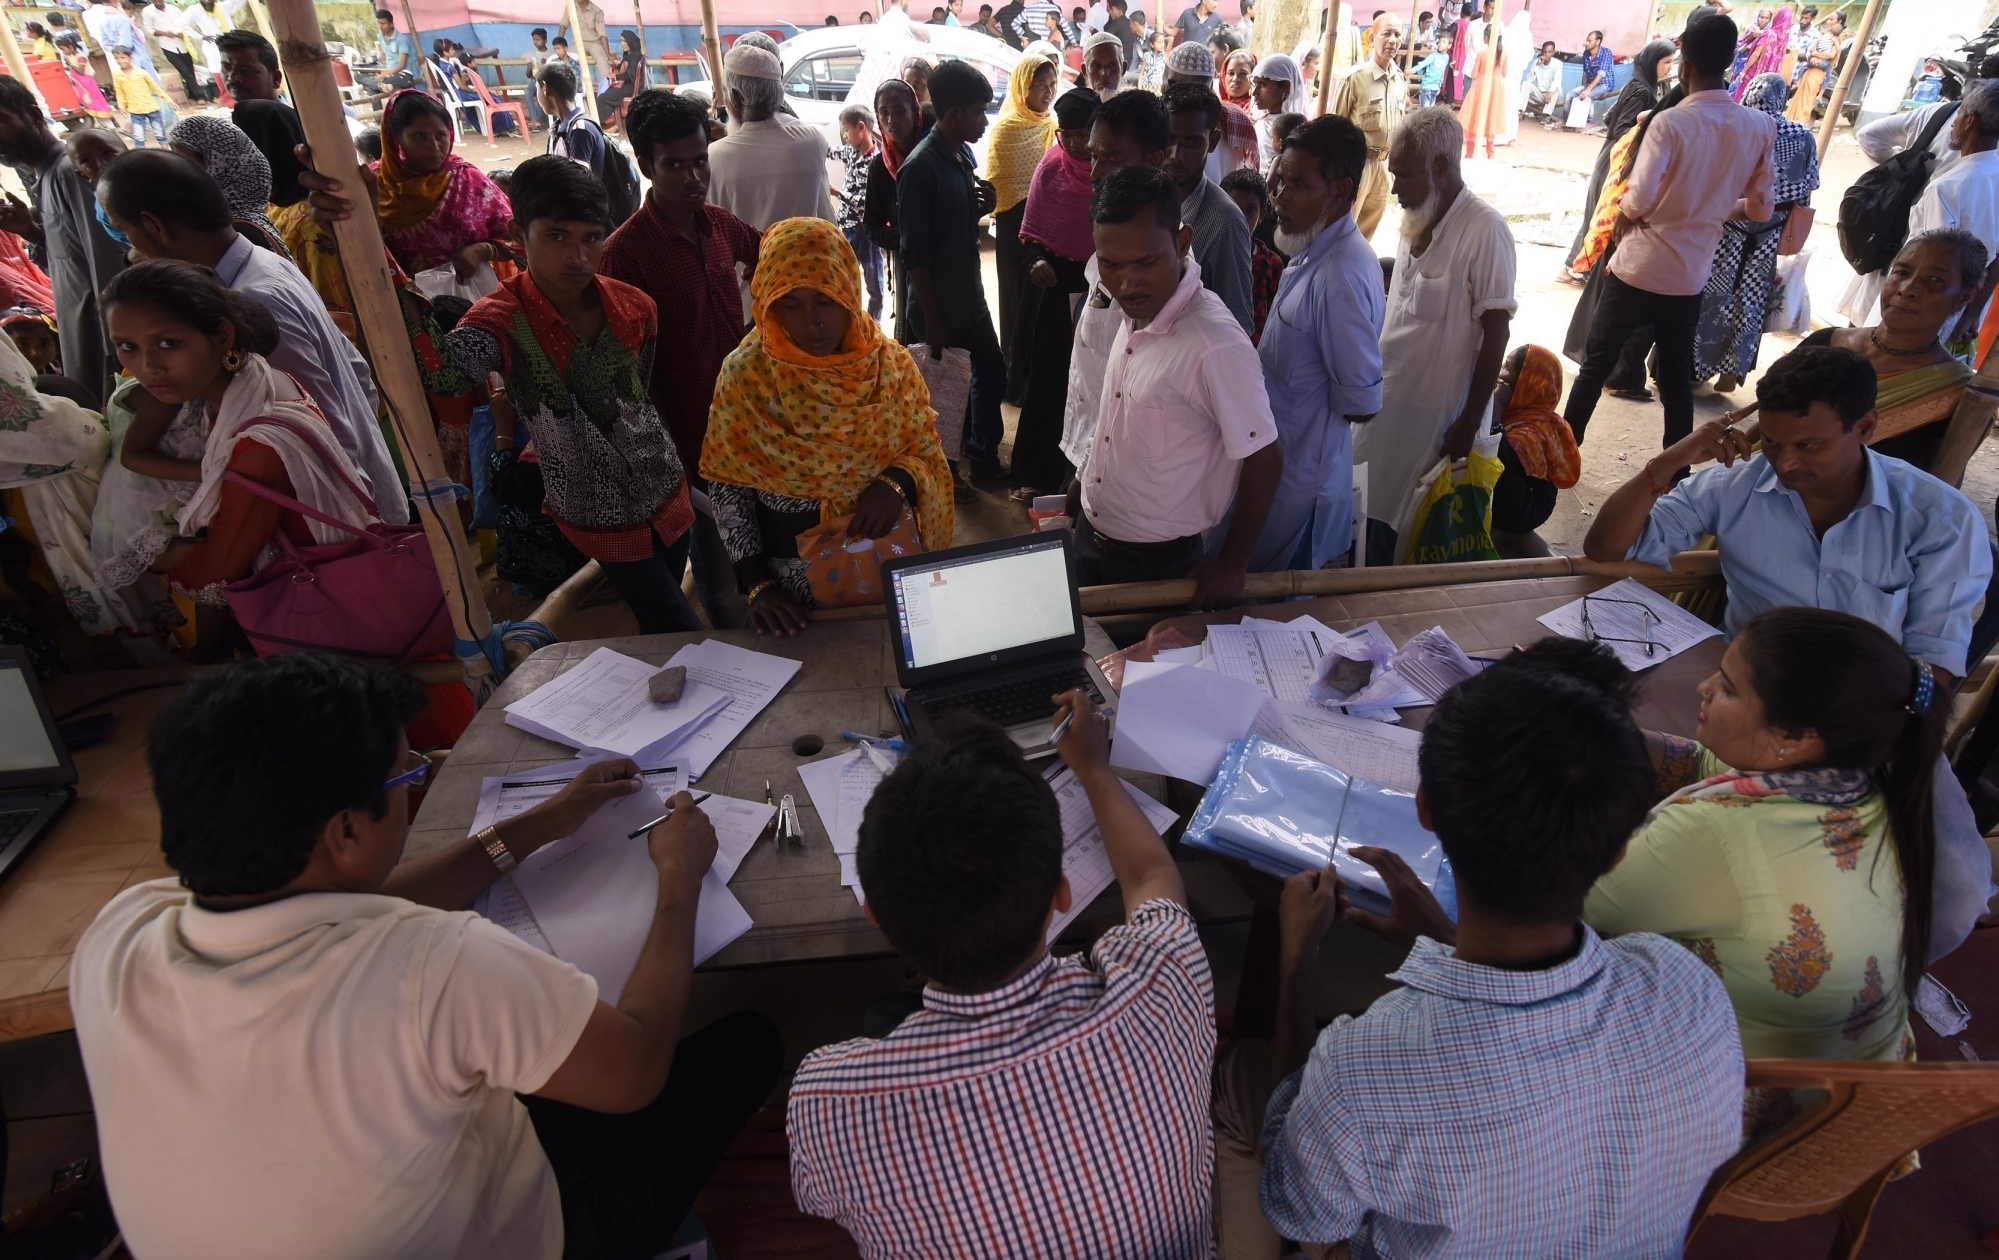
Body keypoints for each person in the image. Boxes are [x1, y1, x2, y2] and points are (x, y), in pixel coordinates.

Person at [73, 651, 782, 1258]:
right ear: (345, 831)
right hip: (514, 1238)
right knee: (748, 1043)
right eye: (406, 777)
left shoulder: (121, 930)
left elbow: (361, 898)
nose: (416, 783)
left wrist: (535, 827)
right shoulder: (430, 967)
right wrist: (678, 880)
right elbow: (632, 1073)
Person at [1211, 643, 1743, 1260]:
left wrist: (1296, 961)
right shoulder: (1686, 987)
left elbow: (1301, 1210)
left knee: (1238, 1073)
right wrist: (1440, 939)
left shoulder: (1364, 1070)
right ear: (1620, 848)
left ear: (1425, 810)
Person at [789, 699, 1215, 1255]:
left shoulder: (828, 1101)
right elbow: (1153, 874)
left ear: (878, 919)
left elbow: (821, 1201)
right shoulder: (1164, 980)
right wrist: (1093, 767)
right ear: (1061, 896)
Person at [1582, 607, 1939, 1073]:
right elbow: (1702, 764)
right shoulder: (1863, 783)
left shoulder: (1717, 832)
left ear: (1794, 737)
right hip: (1861, 1098)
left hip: (1757, 1111)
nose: (1703, 687)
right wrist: (1596, 731)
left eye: (1728, 688)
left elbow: (1561, 900)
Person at [1585, 344, 1991, 681]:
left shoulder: (1940, 520)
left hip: (1862, 715)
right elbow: (1607, 549)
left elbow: (1933, 664)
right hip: (1742, 692)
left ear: (1865, 428)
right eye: (1773, 442)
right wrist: (1669, 462)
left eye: (1809, 446)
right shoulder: (1737, 486)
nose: (1785, 464)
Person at [97, 149, 408, 527]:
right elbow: (356, 375)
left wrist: (357, 515)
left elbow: (320, 424)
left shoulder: (251, 302)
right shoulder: (259, 263)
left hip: (343, 514)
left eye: (123, 229)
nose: (130, 247)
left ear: (154, 227)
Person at [700, 217, 953, 638]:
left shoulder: (889, 366)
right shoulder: (747, 374)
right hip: (789, 592)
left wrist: (896, 484)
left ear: (849, 293)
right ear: (768, 304)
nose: (811, 323)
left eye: (824, 300)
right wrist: (758, 584)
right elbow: (729, 486)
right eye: (790, 305)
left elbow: (924, 450)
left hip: (883, 564)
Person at [1562, 15, 1774, 450]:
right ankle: (1674, 471)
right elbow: (1760, 208)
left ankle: (1560, 454)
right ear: (1731, 61)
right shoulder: (1758, 126)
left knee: (1595, 366)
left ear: (1685, 65)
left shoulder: (1670, 122)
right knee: (1676, 381)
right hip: (1689, 278)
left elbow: (1637, 200)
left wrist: (1628, 212)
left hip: (1638, 269)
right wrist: (1709, 209)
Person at [1075, 164, 1280, 604]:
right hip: (1091, 536)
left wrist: (1233, 563)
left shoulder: (1215, 344)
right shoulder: (1135, 310)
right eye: (1111, 264)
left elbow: (1265, 456)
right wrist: (1086, 481)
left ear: (1182, 242)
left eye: (1146, 263)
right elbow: (1117, 413)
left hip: (1158, 565)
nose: (1127, 283)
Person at [1355, 106, 1513, 562]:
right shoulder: (1415, 217)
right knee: (1369, 518)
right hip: (1388, 409)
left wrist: (1467, 423)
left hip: (1440, 421)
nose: (1395, 187)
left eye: (1404, 176)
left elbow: (1496, 335)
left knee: (1417, 537)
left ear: (1440, 168)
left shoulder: (1485, 229)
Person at [1241, 115, 1378, 573]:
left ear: (1338, 191)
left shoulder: (1340, 274)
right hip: (1277, 473)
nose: (1278, 197)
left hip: (1301, 488)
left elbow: (1360, 402)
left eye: (1296, 185)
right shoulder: (1309, 250)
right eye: (1279, 181)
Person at [1793, 231, 1989, 477]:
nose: (1907, 289)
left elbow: (1939, 484)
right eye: (1902, 272)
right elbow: (1769, 422)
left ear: (1964, 298)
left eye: (1935, 280)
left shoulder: (1952, 392)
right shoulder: (1825, 343)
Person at [901, 60, 1007, 481]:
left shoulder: (959, 154)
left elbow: (954, 225)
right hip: (939, 306)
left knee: (991, 371)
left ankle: (981, 460)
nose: (984, 120)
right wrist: (932, 319)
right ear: (953, 113)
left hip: (969, 297)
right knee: (943, 395)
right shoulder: (919, 168)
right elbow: (915, 255)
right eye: (979, 111)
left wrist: (982, 206)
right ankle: (944, 478)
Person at [0, 78, 126, 404]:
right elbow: (72, 258)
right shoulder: (45, 176)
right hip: (84, 331)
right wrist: (31, 232)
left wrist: (120, 345)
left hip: (104, 339)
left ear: (33, 115)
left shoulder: (71, 173)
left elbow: (109, 264)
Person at [1692, 72, 1818, 394]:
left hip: (1728, 227)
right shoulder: (1802, 136)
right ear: (1782, 98)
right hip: (1769, 233)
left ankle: (1697, 368)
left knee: (1712, 294)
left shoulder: (1737, 128)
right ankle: (1731, 373)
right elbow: (1806, 190)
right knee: (1751, 297)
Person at [1012, 87, 1100, 498]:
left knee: (1096, 381)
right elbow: (1030, 237)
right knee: (1051, 380)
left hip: (1104, 290)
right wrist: (1036, 263)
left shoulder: (1112, 170)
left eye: (1084, 133)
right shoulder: (1050, 168)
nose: (1077, 143)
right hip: (1057, 289)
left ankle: (1084, 479)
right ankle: (1040, 475)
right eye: (1068, 134)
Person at [1560, 38, 1673, 281]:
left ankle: (1576, 268)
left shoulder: (1638, 86)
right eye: (1666, 62)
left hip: (1612, 154)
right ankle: (1574, 268)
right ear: (1653, 62)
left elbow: (1611, 117)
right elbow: (1621, 126)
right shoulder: (1641, 91)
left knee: (1597, 214)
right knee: (1599, 216)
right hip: (1617, 159)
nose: (1670, 68)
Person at [371, 89, 516, 277]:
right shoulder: (372, 185)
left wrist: (482, 250)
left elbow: (518, 236)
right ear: (395, 137)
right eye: (419, 136)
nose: (433, 146)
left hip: (466, 299)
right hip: (397, 299)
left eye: (440, 135)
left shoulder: (469, 181)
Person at [1160, 83, 1255, 335]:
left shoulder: (1225, 221)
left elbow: (1238, 326)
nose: (1175, 155)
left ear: (1212, 141)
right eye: (1168, 139)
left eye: (1191, 142)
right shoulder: (1144, 199)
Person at [708, 44, 835, 230]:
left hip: (750, 260)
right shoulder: (813, 141)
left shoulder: (714, 156)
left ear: (735, 99)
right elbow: (826, 217)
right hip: (806, 257)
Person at [986, 54, 1060, 371]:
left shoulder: (1053, 125)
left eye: (1052, 84)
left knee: (1042, 297)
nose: (1047, 91)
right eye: (1039, 84)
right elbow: (998, 184)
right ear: (1022, 87)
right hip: (1013, 223)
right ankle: (1015, 369)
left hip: (1047, 224)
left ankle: (1037, 366)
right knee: (1015, 294)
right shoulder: (1005, 129)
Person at [165, 115, 292, 259]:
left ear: (220, 166)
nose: (172, 167)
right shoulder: (222, 221)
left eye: (181, 159)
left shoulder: (234, 233)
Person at [1490, 343, 1577, 536]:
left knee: (1489, 452)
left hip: (1526, 510)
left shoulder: (1533, 430)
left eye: (1507, 368)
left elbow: (1496, 458)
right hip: (1516, 493)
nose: (1499, 373)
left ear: (1527, 381)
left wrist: (1495, 405)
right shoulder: (1517, 413)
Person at [863, 79, 926, 342]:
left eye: (899, 110)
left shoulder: (933, 155)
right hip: (907, 267)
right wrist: (907, 240)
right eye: (884, 113)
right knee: (913, 337)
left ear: (915, 111)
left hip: (946, 264)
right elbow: (871, 226)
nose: (892, 120)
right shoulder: (880, 168)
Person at [1330, 22, 1402, 237]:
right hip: (1357, 165)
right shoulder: (1354, 78)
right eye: (1386, 34)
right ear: (1372, 39)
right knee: (1342, 224)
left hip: (1384, 167)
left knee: (1367, 231)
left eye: (1397, 35)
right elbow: (1335, 127)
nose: (1392, 40)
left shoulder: (1400, 80)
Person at [1163, 42, 1256, 180]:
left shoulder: (1160, 121)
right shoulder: (1238, 120)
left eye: (1192, 142)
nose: (1176, 156)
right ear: (1211, 84)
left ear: (1169, 84)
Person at [832, 104, 884, 323]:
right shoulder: (852, 152)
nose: (844, 135)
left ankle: (874, 324)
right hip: (846, 229)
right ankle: (852, 323)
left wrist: (836, 193)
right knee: (846, 279)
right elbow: (828, 150)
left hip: (865, 232)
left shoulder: (875, 163)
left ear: (861, 127)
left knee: (874, 282)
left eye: (846, 129)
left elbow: (864, 205)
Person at [1219, 167, 1281, 342]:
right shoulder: (1209, 254)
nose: (1240, 217)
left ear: (1261, 215)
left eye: (1250, 210)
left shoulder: (1271, 264)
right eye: (1233, 208)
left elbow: (1276, 316)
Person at [539, 62, 605, 178]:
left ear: (545, 88)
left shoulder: (580, 129)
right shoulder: (557, 129)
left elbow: (579, 185)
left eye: (537, 90)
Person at [1457, 20, 1505, 159]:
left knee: (1473, 117)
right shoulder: (1504, 53)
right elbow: (1505, 72)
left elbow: (1473, 74)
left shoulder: (1482, 52)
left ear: (1486, 38)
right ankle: (1490, 153)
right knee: (1492, 116)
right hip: (1496, 87)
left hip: (1481, 85)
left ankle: (1469, 153)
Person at [1250, 54, 1307, 169]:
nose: (1254, 92)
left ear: (1285, 87)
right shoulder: (1261, 123)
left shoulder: (1293, 128)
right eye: (1254, 84)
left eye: (1262, 85)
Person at [141, 0, 204, 102]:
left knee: (190, 71)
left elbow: (184, 23)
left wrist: (182, 33)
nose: (158, 1)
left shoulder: (173, 9)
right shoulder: (147, 11)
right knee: (184, 71)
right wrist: (164, 33)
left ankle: (192, 96)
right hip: (167, 46)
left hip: (182, 44)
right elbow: (149, 30)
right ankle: (201, 96)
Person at [111, 47, 170, 149]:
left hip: (151, 108)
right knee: (138, 137)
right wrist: (121, 106)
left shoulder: (141, 72)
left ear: (130, 58)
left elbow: (155, 87)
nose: (120, 61)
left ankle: (168, 151)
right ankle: (141, 157)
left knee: (160, 133)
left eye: (122, 57)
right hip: (135, 111)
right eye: (117, 58)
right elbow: (119, 92)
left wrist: (168, 99)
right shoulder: (117, 75)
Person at [1730, 6, 1790, 102]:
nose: (1763, 20)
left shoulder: (1768, 34)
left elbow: (1756, 54)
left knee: (1742, 94)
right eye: (1761, 17)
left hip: (1755, 70)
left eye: (1767, 18)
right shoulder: (1783, 39)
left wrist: (1744, 71)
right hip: (1767, 75)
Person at [1788, 10, 1839, 122]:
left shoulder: (1836, 39)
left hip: (1818, 72)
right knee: (1798, 99)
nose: (1828, 22)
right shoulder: (1824, 36)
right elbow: (1811, 52)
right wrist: (1813, 56)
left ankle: (1798, 124)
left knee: (1806, 101)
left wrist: (1815, 55)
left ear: (1839, 22)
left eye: (1831, 19)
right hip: (1810, 69)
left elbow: (1831, 55)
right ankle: (1792, 123)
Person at [1572, 26, 1614, 128]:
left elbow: (1601, 74)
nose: (1586, 43)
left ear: (1598, 41)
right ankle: (1568, 121)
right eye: (1586, 40)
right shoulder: (1586, 54)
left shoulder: (1606, 53)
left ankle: (1589, 123)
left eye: (1589, 41)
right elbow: (1585, 73)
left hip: (1605, 85)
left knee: (1588, 96)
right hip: (1591, 85)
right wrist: (1584, 88)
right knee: (1571, 95)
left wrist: (1587, 91)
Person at [598, 30, 645, 120]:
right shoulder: (629, 55)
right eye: (621, 41)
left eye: (625, 41)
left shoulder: (634, 57)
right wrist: (616, 70)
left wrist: (615, 77)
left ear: (630, 42)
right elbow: (623, 67)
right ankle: (613, 122)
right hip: (625, 86)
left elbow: (629, 74)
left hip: (630, 88)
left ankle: (608, 123)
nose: (622, 44)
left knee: (602, 98)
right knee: (606, 93)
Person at [369, 8, 418, 92]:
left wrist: (382, 75)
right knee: (358, 77)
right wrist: (382, 56)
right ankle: (374, 84)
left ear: (391, 24)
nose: (380, 26)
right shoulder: (380, 36)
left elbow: (401, 66)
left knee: (372, 87)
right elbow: (385, 56)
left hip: (403, 74)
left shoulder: (401, 39)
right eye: (378, 23)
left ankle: (374, 84)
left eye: (383, 23)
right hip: (390, 73)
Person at [1523, 40, 1563, 123]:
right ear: (1542, 52)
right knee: (1525, 84)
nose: (1547, 55)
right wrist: (1537, 65)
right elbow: (1529, 79)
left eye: (1549, 52)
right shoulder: (1536, 62)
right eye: (1545, 52)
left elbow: (1557, 80)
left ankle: (1546, 116)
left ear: (1553, 53)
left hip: (1551, 96)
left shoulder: (1558, 64)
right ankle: (1521, 111)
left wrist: (1550, 92)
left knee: (1556, 89)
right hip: (1539, 95)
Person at [1084, 29, 1126, 100]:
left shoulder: (1133, 107)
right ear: (1085, 71)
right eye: (1096, 66)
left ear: (1123, 68)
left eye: (1112, 65)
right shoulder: (1078, 107)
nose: (1105, 73)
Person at [1413, 36, 1449, 107]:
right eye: (1440, 41)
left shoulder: (1446, 57)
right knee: (1426, 111)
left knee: (1431, 110)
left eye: (1443, 42)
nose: (1440, 44)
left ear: (1449, 46)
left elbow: (1442, 72)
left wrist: (1439, 86)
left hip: (1435, 88)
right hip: (1427, 87)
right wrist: (1412, 70)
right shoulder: (1433, 56)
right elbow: (1423, 64)